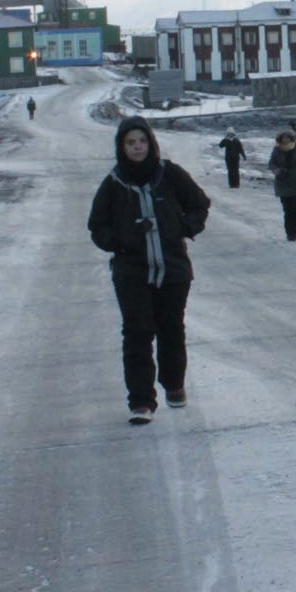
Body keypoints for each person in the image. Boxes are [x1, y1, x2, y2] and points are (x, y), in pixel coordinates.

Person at [88, 116, 210, 424]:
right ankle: (141, 401)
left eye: (141, 141)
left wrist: (180, 227)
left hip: (173, 269)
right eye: (130, 142)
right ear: (122, 147)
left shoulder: (170, 175)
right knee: (137, 332)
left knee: (171, 329)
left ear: (151, 143)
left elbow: (199, 204)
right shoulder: (114, 184)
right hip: (132, 272)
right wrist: (122, 241)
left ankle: (173, 383)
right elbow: (97, 226)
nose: (137, 147)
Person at [268, 129, 296, 241]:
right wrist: (278, 171)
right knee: (288, 210)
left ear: (292, 139)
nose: (285, 140)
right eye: (283, 138)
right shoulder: (277, 150)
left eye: (288, 137)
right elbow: (271, 163)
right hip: (283, 184)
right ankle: (291, 233)